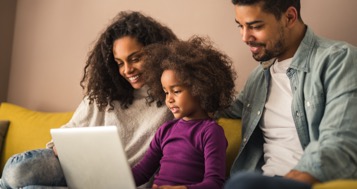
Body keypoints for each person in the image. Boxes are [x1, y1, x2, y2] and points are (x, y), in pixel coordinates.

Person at [0, 11, 178, 189]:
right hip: (75, 170)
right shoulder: (103, 94)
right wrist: (62, 148)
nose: (127, 70)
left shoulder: (172, 98)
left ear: (156, 52)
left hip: (123, 184)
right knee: (17, 171)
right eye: (119, 63)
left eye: (135, 58)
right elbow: (69, 131)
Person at [219, 0, 357, 189]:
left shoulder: (338, 60)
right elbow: (218, 112)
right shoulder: (258, 78)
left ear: (289, 17)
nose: (244, 36)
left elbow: (341, 141)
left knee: (241, 184)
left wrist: (295, 179)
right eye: (240, 26)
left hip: (303, 181)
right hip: (260, 179)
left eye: (255, 26)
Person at [131, 36, 236, 189]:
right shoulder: (165, 131)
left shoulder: (211, 132)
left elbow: (214, 183)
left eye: (176, 91)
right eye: (166, 92)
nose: (169, 99)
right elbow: (142, 172)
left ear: (200, 88)